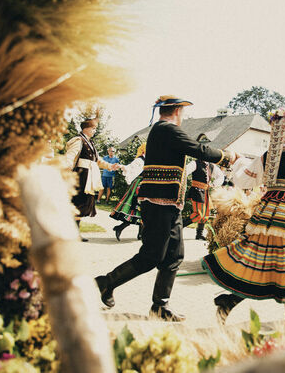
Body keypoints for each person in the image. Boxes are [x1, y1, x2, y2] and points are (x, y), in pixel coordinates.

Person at [95, 96, 237, 321]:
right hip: (159, 203)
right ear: (177, 110)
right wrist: (226, 156)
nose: (184, 116)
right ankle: (107, 282)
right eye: (183, 112)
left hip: (169, 204)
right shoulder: (167, 130)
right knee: (151, 255)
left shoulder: (162, 130)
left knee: (174, 256)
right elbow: (197, 149)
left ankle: (160, 306)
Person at [202, 109, 285, 335]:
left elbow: (242, 179)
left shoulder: (267, 156)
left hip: (268, 214)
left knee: (259, 261)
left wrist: (239, 161)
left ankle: (228, 301)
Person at [65, 119, 118, 242]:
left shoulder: (90, 143)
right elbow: (70, 157)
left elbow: (97, 160)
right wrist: (66, 170)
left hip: (88, 177)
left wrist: (110, 166)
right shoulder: (79, 140)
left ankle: (74, 232)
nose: (95, 131)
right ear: (86, 128)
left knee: (82, 204)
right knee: (77, 203)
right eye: (93, 128)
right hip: (80, 176)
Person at [182, 134, 225, 240]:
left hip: (205, 191)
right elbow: (185, 171)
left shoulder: (211, 166)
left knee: (205, 214)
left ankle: (199, 234)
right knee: (199, 214)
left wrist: (213, 184)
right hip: (196, 190)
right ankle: (177, 227)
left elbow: (221, 176)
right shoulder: (195, 163)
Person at [110, 142, 147, 241]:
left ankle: (140, 234)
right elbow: (130, 167)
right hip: (139, 186)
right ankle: (120, 228)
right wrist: (121, 166)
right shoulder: (140, 160)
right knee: (137, 208)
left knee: (142, 211)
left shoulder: (148, 160)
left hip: (145, 185)